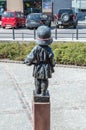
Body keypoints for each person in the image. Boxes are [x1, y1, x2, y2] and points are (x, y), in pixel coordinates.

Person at [24, 25, 55, 96]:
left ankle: (37, 92)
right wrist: (53, 65)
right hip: (46, 67)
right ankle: (43, 93)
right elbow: (52, 59)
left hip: (37, 66)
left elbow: (30, 58)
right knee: (44, 80)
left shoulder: (36, 48)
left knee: (37, 79)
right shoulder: (49, 49)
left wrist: (27, 62)